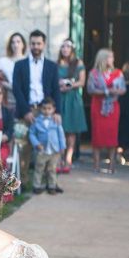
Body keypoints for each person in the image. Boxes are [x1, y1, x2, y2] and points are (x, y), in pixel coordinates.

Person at [12, 29, 61, 184]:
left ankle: (47, 181)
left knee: (48, 147)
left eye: (39, 43)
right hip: (26, 110)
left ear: (44, 44)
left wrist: (57, 111)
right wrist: (26, 111)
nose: (36, 46)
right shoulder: (20, 65)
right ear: (29, 45)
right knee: (24, 146)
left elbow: (56, 90)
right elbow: (16, 89)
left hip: (46, 111)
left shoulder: (52, 66)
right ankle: (23, 182)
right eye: (33, 43)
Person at [86, 48, 126, 174]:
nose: (112, 59)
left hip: (113, 107)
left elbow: (123, 89)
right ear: (103, 58)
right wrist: (107, 91)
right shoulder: (94, 73)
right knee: (97, 136)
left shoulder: (118, 73)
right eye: (110, 57)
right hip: (98, 106)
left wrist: (117, 91)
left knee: (112, 136)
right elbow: (90, 90)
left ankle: (111, 166)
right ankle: (96, 165)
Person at [56, 39, 87, 173]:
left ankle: (68, 159)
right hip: (60, 98)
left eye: (68, 46)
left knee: (71, 131)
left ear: (72, 49)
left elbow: (82, 82)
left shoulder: (78, 63)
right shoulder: (57, 64)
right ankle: (59, 159)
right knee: (60, 130)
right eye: (63, 46)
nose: (65, 49)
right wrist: (59, 85)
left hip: (72, 99)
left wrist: (69, 84)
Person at [29, 98, 66, 195]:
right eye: (44, 108)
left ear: (53, 109)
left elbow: (60, 135)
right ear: (41, 109)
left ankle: (52, 186)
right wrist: (36, 144)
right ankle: (36, 186)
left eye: (49, 109)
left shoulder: (56, 120)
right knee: (39, 168)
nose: (46, 111)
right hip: (42, 150)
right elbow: (32, 134)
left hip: (54, 150)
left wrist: (62, 147)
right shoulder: (36, 121)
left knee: (52, 169)